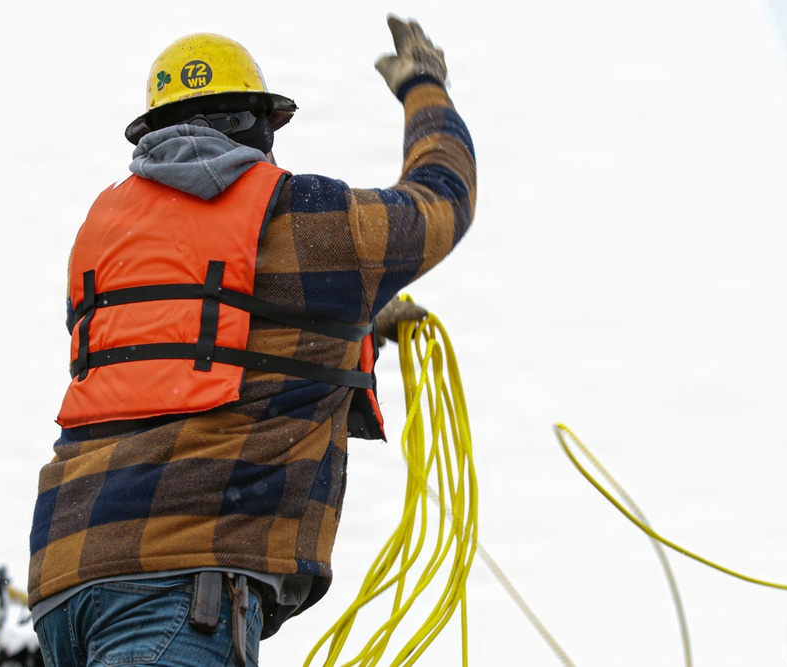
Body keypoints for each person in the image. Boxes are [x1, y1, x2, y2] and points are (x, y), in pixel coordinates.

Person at [27, 15, 475, 667]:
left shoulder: (104, 240)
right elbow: (441, 199)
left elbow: (191, 340)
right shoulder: (312, 219)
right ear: (259, 126)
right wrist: (424, 84)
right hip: (180, 581)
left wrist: (360, 325)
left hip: (65, 578)